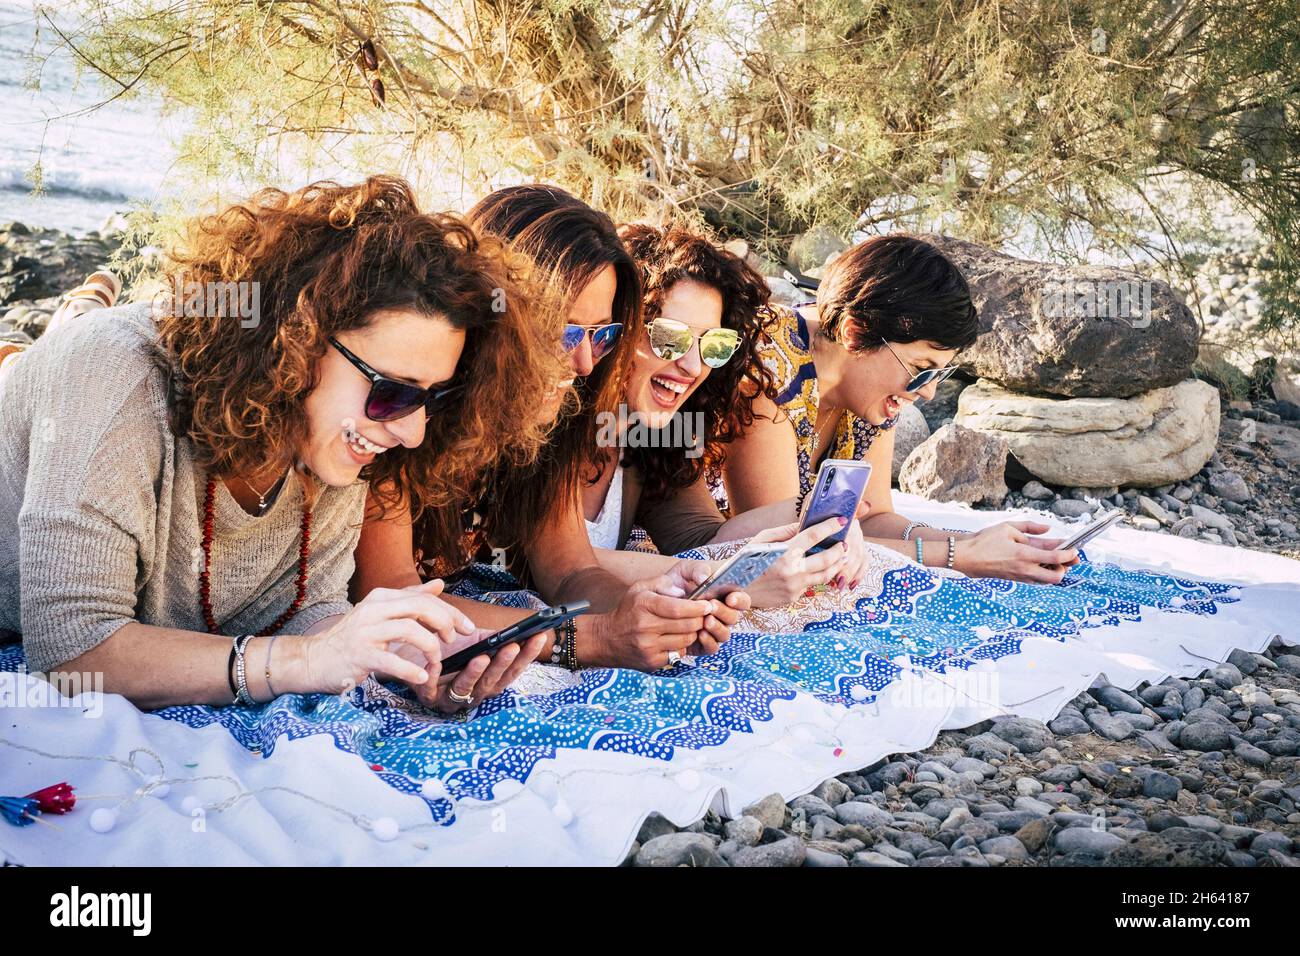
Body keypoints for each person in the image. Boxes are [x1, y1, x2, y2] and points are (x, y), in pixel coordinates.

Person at [0, 176, 563, 712]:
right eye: (393, 391)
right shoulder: (113, 375)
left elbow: (307, 610)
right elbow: (72, 651)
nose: (412, 432)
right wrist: (302, 662)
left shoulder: (331, 436)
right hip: (69, 380)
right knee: (54, 351)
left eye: (433, 398)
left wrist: (406, 660)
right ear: (297, 342)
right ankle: (67, 321)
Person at [353, 186, 746, 673]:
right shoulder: (405, 410)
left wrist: (649, 608)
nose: (584, 363)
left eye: (601, 335)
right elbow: (392, 592)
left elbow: (570, 571)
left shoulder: (555, 413)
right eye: (562, 332)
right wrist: (592, 637)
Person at [722, 234, 1080, 584]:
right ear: (854, 333)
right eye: (921, 368)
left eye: (939, 374)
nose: (928, 392)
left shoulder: (868, 387)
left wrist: (979, 542)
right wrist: (961, 556)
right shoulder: (767, 370)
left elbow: (874, 517)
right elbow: (789, 547)